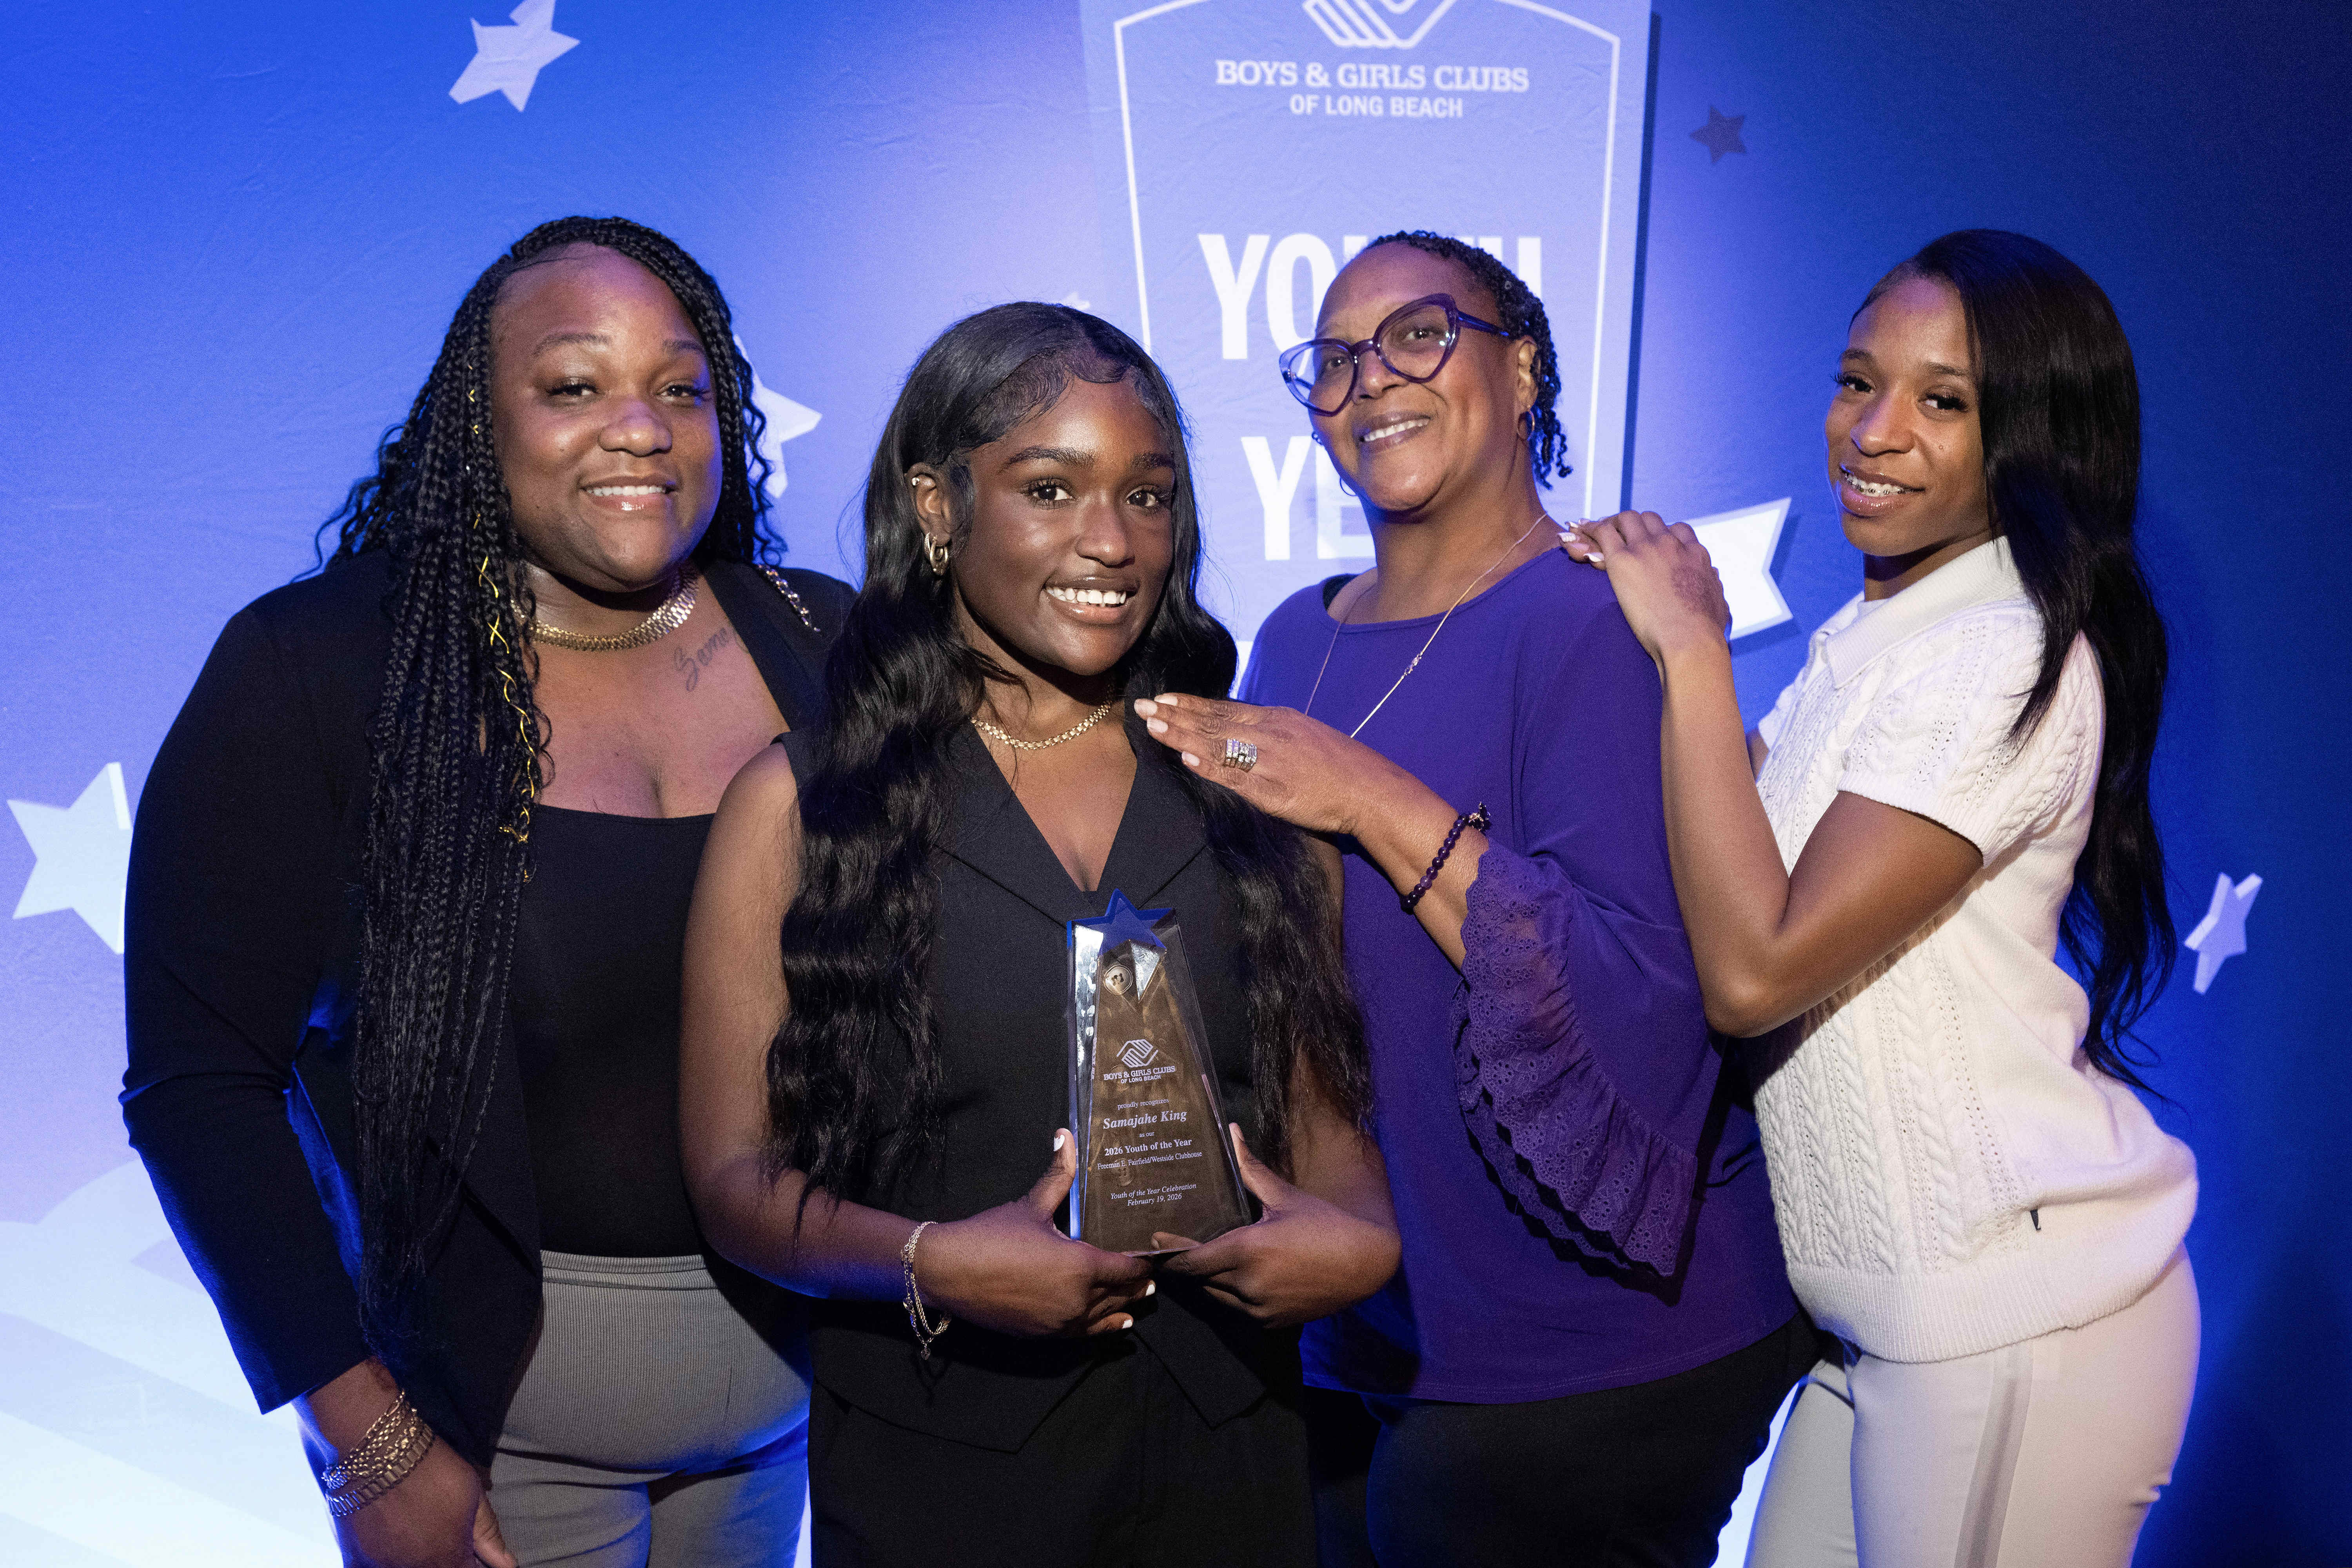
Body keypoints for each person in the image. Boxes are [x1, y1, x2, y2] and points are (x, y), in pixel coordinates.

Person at [123, 216, 852, 1568]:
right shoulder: (323, 667)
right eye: (576, 385)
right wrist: (371, 1445)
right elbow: (197, 1083)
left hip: (789, 1423)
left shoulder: (822, 640)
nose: (640, 427)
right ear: (482, 416)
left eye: (681, 388)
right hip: (486, 1454)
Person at [679, 301, 1399, 1568]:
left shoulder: (1253, 786)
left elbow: (1341, 1166)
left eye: (1149, 495)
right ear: (939, 506)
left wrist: (1353, 1247)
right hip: (941, 1480)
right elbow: (736, 1188)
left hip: (1229, 1468)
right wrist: (927, 1260)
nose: (1112, 542)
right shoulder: (801, 807)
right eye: (1051, 489)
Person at [1134, 232, 1809, 1566]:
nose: (1370, 379)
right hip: (1365, 1326)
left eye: (1419, 335)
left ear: (1523, 365)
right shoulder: (1291, 636)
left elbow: (1656, 1009)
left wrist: (1367, 796)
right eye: (1332, 361)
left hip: (1583, 1349)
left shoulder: (1593, 618)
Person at [1566, 229, 2198, 1565]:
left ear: (2035, 437)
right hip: (1881, 1327)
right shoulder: (1880, 642)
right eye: (1859, 382)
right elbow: (1752, 842)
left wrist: (1690, 644)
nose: (1877, 431)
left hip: (2014, 1321)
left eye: (1944, 400)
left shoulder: (2000, 651)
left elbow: (1756, 969)